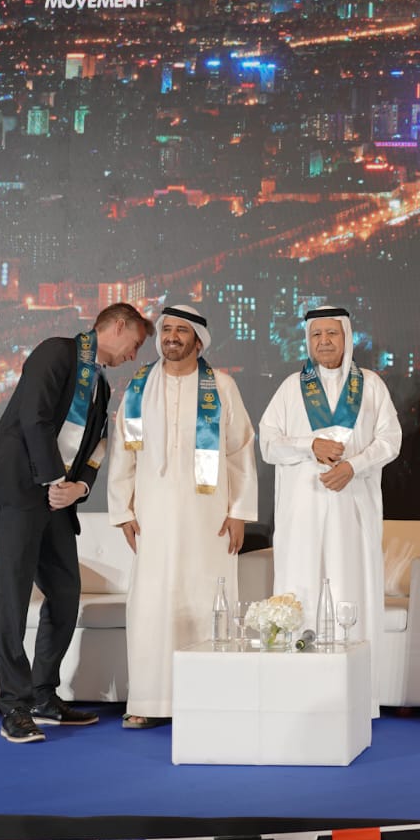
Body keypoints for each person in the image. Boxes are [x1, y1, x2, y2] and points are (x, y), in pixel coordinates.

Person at [0, 302, 151, 743]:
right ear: (118, 326)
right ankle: (14, 707)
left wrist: (79, 487)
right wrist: (55, 479)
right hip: (19, 488)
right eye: (134, 344)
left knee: (66, 593)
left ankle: (42, 695)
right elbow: (33, 418)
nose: (133, 355)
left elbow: (98, 446)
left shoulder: (101, 385)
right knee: (13, 598)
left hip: (58, 499)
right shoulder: (56, 352)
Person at [106, 305, 258, 729]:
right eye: (167, 329)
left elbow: (239, 451)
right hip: (152, 517)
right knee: (151, 606)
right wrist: (122, 509)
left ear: (198, 341)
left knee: (205, 599)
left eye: (181, 331)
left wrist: (240, 512)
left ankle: (208, 700)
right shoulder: (139, 387)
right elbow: (124, 450)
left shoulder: (221, 387)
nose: (172, 336)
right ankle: (149, 700)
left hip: (209, 519)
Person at [260, 306, 401, 715]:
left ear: (346, 338)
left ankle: (357, 700)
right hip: (301, 514)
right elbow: (268, 443)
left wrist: (353, 466)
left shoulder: (371, 385)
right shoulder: (291, 388)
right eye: (316, 335)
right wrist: (309, 445)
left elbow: (390, 440)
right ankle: (299, 697)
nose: (323, 341)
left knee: (350, 593)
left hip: (352, 510)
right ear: (308, 340)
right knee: (300, 591)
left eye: (331, 334)